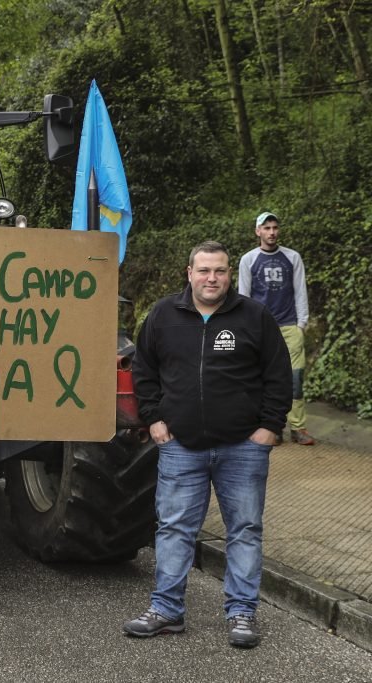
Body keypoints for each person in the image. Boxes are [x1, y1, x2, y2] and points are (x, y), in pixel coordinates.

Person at [124, 240, 291, 649]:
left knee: (246, 530)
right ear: (189, 273)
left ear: (229, 274)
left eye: (219, 271)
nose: (211, 278)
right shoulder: (164, 315)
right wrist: (154, 418)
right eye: (204, 271)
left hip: (243, 447)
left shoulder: (254, 316)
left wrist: (269, 427)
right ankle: (166, 610)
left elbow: (278, 374)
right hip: (182, 446)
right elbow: (143, 368)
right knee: (175, 528)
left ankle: (241, 614)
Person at [239, 211, 315, 446]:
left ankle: (298, 428)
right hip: (261, 329)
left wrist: (302, 324)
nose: (271, 232)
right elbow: (244, 296)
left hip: (290, 325)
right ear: (258, 231)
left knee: (295, 378)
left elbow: (300, 291)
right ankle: (271, 427)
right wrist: (246, 327)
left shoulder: (292, 258)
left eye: (275, 227)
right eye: (267, 228)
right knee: (262, 378)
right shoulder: (248, 260)